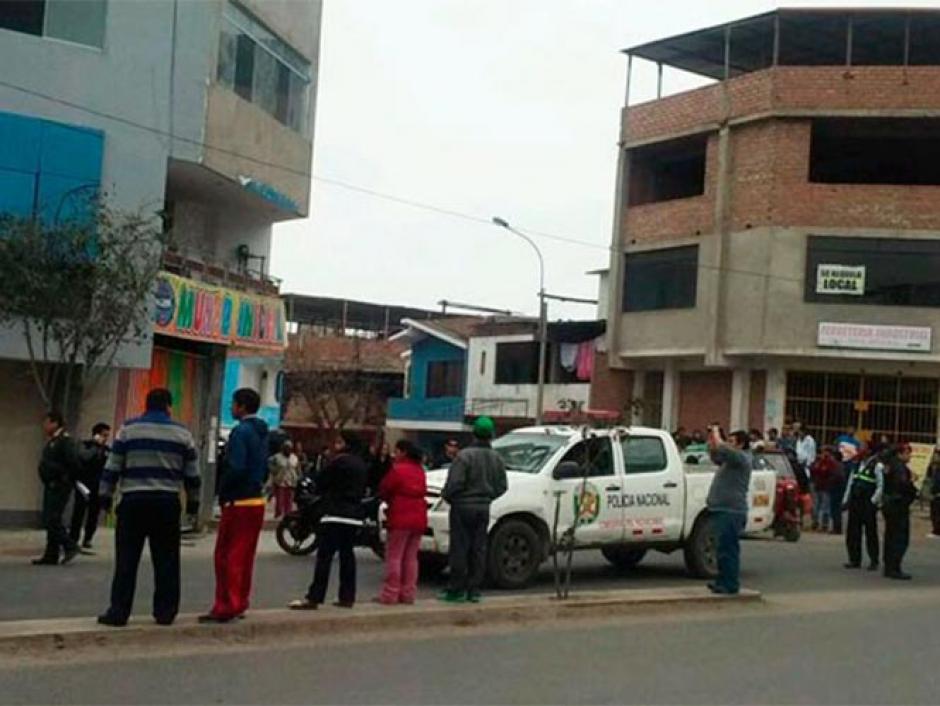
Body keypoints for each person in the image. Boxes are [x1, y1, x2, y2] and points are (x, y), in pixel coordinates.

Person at [97, 388, 200, 627]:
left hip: (134, 501)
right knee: (167, 559)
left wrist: (105, 494)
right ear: (168, 407)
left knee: (126, 559)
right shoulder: (182, 434)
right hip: (166, 502)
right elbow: (193, 473)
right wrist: (193, 501)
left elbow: (112, 466)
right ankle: (165, 612)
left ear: (146, 405)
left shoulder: (128, 430)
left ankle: (119, 612)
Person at [199, 389, 269, 624]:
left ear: (242, 406)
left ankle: (226, 605)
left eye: (234, 404)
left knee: (226, 556)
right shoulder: (263, 433)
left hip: (238, 500)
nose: (231, 408)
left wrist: (223, 489)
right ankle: (240, 601)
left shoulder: (241, 432)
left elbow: (236, 466)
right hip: (256, 500)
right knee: (245, 556)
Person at [288, 432, 368, 610]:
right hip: (354, 516)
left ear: (345, 444)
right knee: (347, 556)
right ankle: (347, 597)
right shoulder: (361, 464)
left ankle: (314, 597)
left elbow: (321, 482)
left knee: (325, 557)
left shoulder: (338, 462)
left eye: (339, 442)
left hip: (334, 513)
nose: (335, 445)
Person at [439, 416, 507, 603]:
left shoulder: (464, 456)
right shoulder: (496, 458)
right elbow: (503, 486)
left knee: (460, 548)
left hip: (462, 507)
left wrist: (448, 496)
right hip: (483, 507)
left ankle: (456, 590)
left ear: (473, 434)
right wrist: (487, 498)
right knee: (478, 549)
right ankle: (474, 590)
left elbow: (455, 483)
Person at [376, 440, 428, 605]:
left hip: (400, 515)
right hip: (419, 515)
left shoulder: (397, 470)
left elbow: (385, 489)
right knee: (411, 557)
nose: (394, 454)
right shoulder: (420, 470)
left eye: (396, 451)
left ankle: (391, 593)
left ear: (403, 452)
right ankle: (408, 593)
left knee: (394, 556)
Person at [705, 426, 752, 595]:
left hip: (732, 510)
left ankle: (730, 584)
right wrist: (711, 439)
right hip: (721, 508)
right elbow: (716, 454)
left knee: (728, 549)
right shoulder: (730, 461)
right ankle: (722, 580)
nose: (729, 444)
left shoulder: (741, 458)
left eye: (732, 441)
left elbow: (722, 447)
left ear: (740, 444)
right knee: (721, 548)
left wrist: (717, 432)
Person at [33, 411, 81, 566]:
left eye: (47, 422)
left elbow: (73, 463)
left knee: (51, 519)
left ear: (55, 423)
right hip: (51, 485)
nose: (44, 426)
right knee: (51, 518)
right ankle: (51, 554)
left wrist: (62, 477)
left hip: (59, 486)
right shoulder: (53, 441)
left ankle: (70, 545)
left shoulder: (64, 441)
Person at [70, 422, 111, 552]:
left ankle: (88, 539)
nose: (105, 438)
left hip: (98, 486)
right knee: (78, 513)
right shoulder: (85, 445)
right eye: (103, 435)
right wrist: (95, 446)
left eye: (107, 436)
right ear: (96, 435)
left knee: (94, 514)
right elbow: (84, 457)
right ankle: (73, 539)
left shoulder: (107, 451)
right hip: (83, 484)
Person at [880, 442, 917, 580]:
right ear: (900, 454)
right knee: (899, 538)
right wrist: (912, 482)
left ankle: (889, 566)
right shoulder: (899, 467)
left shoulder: (890, 465)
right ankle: (894, 567)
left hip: (890, 504)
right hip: (898, 505)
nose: (910, 456)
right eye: (908, 453)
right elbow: (902, 485)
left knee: (890, 536)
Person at [842, 449, 883, 571]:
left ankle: (874, 560)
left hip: (868, 503)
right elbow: (850, 484)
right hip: (855, 502)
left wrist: (873, 501)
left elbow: (880, 486)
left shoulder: (877, 466)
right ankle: (854, 559)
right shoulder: (856, 465)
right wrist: (845, 500)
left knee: (871, 533)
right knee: (853, 532)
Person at [810, 447, 839, 532]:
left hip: (826, 487)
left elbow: (832, 473)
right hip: (818, 486)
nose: (824, 454)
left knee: (825, 507)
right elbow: (813, 470)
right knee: (816, 506)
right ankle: (815, 522)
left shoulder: (831, 463)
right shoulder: (818, 462)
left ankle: (824, 524)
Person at [268, 441, 299, 519]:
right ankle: (278, 514)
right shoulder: (277, 457)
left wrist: (297, 477)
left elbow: (297, 469)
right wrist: (274, 471)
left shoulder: (294, 457)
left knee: (289, 500)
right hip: (280, 481)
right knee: (280, 500)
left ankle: (287, 515)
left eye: (289, 448)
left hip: (291, 481)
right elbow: (269, 464)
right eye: (286, 448)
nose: (288, 450)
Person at [928, 449, 940, 539]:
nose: (934, 457)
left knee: (937, 513)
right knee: (934, 512)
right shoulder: (935, 467)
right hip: (935, 494)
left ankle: (937, 531)